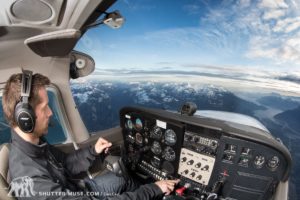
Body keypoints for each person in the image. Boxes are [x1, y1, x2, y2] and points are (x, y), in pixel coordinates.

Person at [2, 71, 179, 200]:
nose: (50, 113)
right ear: (25, 118)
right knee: (146, 189)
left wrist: (92, 151)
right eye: (44, 108)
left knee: (125, 178)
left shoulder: (34, 144)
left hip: (80, 191)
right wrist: (152, 190)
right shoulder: (31, 178)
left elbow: (65, 164)